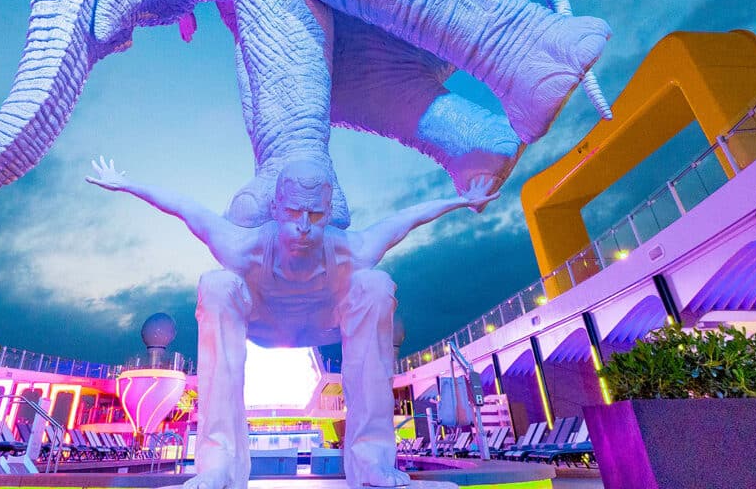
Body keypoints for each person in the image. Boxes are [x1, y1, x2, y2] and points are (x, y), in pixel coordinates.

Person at [87, 156, 498, 489]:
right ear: (275, 207)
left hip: (323, 322)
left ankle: (373, 464)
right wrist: (126, 185)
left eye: (316, 215)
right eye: (294, 212)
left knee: (376, 286)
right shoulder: (243, 246)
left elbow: (406, 220)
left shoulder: (350, 249)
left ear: (327, 210)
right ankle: (219, 467)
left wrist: (463, 202)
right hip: (262, 319)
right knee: (215, 286)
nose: (303, 226)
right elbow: (184, 208)